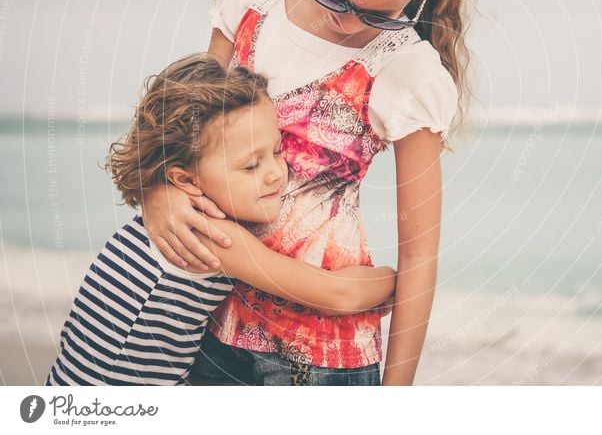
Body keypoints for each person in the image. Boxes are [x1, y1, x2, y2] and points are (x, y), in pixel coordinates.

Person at [142, 0, 472, 386]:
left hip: (321, 356)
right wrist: (156, 190)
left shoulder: (408, 71)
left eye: (381, 14)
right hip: (205, 321)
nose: (350, 23)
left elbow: (418, 253)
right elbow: (186, 130)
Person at [45, 54, 396, 386]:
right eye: (250, 166)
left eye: (276, 151)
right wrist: (395, 280)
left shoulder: (165, 209)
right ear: (184, 179)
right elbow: (338, 295)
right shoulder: (207, 233)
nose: (276, 174)